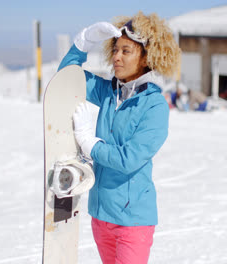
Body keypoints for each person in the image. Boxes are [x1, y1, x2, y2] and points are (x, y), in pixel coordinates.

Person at [57, 11, 181, 264]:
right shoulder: (106, 91)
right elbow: (65, 80)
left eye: (126, 51)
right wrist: (83, 42)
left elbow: (129, 159)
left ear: (146, 57)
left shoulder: (155, 106)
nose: (116, 57)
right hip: (101, 216)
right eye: (115, 50)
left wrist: (89, 142)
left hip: (132, 222)